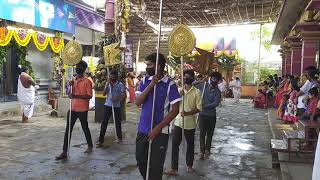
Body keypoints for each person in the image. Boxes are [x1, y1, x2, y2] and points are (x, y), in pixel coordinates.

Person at [135, 53, 181, 180]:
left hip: (160, 133)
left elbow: (175, 110)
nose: (147, 68)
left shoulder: (170, 84)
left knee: (156, 167)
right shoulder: (145, 81)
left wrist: (157, 128)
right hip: (142, 129)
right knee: (140, 160)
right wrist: (151, 85)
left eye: (150, 65)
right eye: (147, 65)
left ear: (159, 66)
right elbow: (138, 102)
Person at [165, 70, 202, 176]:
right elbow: (172, 104)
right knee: (174, 145)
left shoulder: (197, 92)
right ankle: (174, 168)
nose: (186, 78)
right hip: (178, 122)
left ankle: (189, 165)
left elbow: (199, 108)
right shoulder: (179, 90)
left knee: (190, 145)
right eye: (185, 76)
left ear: (193, 78)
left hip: (190, 124)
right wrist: (178, 96)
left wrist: (188, 113)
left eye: (189, 76)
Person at [56, 61, 93, 160]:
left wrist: (76, 95)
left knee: (85, 127)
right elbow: (69, 94)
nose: (78, 68)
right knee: (68, 130)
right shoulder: (73, 80)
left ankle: (90, 145)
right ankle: (64, 151)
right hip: (72, 108)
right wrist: (71, 86)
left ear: (84, 69)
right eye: (77, 66)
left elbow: (89, 95)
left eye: (80, 67)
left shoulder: (87, 81)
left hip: (82, 108)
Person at [96, 69, 126, 146]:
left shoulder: (120, 84)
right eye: (111, 77)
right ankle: (100, 139)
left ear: (116, 77)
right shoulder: (108, 83)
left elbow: (124, 95)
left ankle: (119, 138)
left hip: (116, 106)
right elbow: (103, 94)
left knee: (117, 122)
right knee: (104, 122)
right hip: (107, 105)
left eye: (114, 77)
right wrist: (107, 84)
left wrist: (117, 98)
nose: (112, 79)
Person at [197, 72, 222, 160]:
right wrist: (200, 81)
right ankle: (201, 151)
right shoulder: (203, 86)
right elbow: (192, 85)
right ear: (210, 78)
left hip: (211, 115)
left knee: (210, 134)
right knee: (202, 134)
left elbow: (215, 103)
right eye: (212, 78)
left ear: (218, 81)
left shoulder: (218, 92)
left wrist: (204, 106)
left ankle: (207, 149)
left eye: (216, 79)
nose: (213, 80)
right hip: (202, 115)